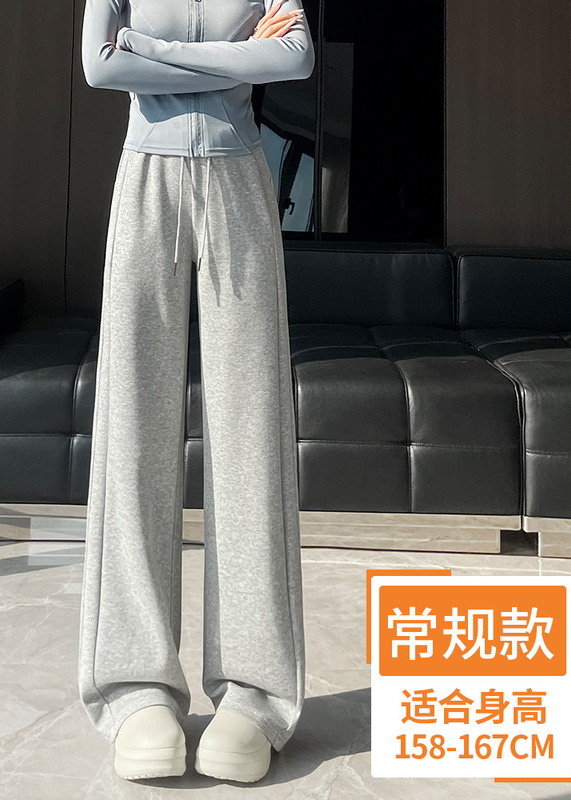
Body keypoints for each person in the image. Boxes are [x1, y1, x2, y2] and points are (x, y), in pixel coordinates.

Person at [77, 0, 314, 784]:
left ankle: (255, 693)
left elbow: (294, 59)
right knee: (132, 426)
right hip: (145, 180)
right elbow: (100, 66)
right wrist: (232, 56)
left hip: (240, 180)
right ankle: (134, 687)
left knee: (251, 429)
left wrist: (153, 49)